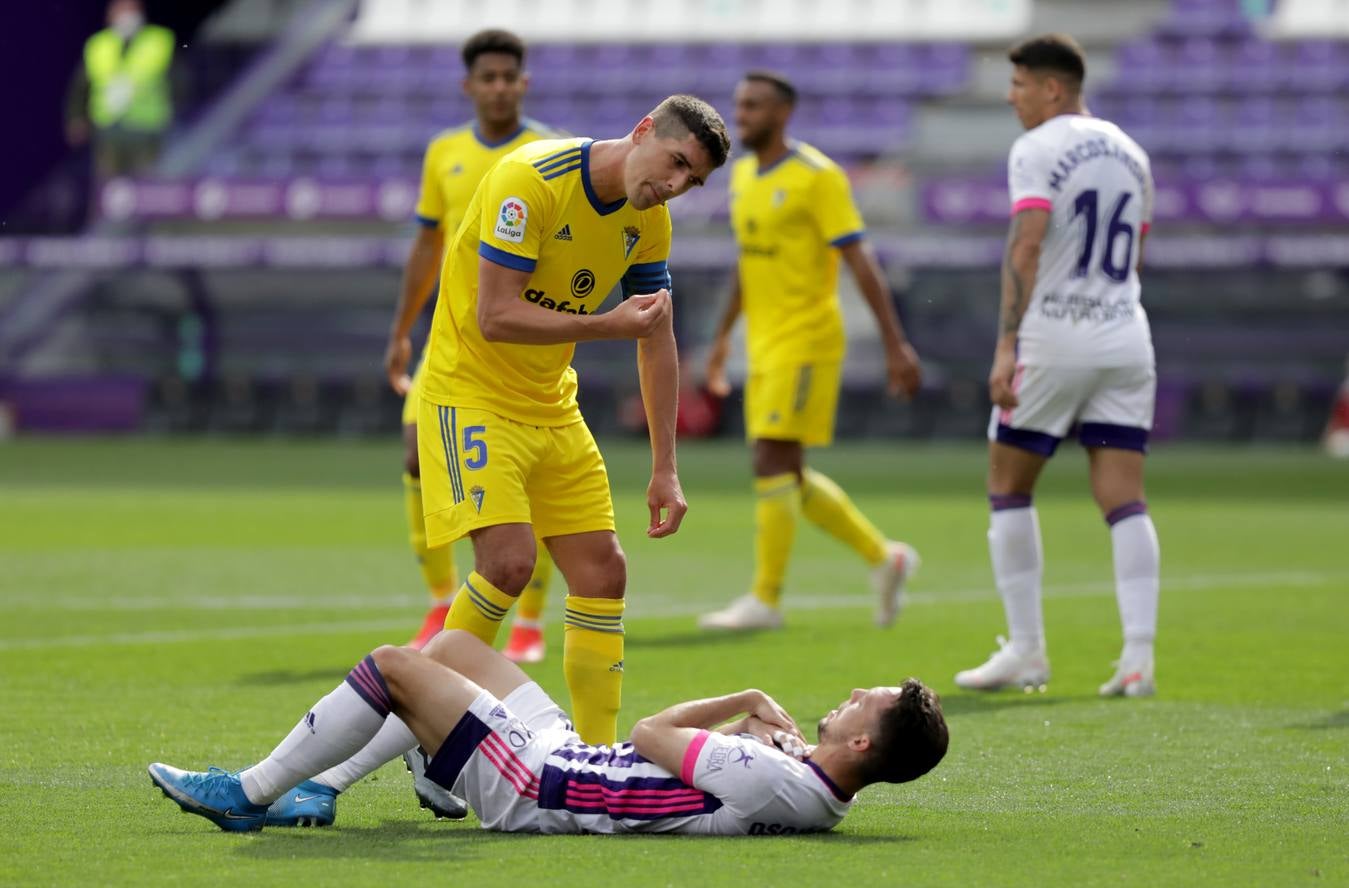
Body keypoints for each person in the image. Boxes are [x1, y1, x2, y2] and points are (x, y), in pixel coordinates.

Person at [411, 95, 728, 749]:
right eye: (673, 163)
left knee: (602, 571)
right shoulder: (530, 181)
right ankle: (427, 730)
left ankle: (596, 760)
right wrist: (605, 324)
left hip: (550, 402)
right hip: (469, 392)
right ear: (642, 129)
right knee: (506, 563)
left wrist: (665, 467)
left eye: (690, 181)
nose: (672, 186)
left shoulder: (649, 221)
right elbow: (495, 316)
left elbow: (656, 335)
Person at [147, 630, 949, 834]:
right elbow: (713, 775)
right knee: (454, 649)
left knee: (395, 667)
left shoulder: (776, 779)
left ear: (861, 748)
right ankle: (327, 786)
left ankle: (252, 794)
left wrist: (743, 696)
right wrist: (759, 733)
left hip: (540, 783)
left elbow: (648, 732)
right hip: (568, 763)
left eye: (863, 703)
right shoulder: (805, 784)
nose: (850, 694)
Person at [953, 34, 1161, 697]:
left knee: (1008, 484)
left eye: (1017, 86)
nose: (1011, 98)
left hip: (1053, 337)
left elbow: (1026, 246)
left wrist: (1007, 345)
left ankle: (1027, 651)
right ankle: (1137, 659)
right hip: (1125, 336)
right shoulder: (1131, 152)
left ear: (1051, 88)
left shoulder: (1035, 150)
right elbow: (1137, 252)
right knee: (1124, 499)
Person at [700, 71, 924, 632]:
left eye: (752, 106)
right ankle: (885, 556)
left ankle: (765, 600)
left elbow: (860, 260)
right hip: (765, 340)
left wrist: (897, 344)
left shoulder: (818, 177)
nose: (741, 115)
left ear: (783, 112)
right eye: (739, 104)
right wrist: (724, 334)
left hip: (807, 338)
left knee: (770, 459)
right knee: (785, 471)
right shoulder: (746, 173)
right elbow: (747, 265)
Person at [383, 28, 559, 661]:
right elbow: (429, 245)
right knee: (414, 455)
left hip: (519, 342)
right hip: (450, 339)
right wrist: (403, 329)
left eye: (510, 77)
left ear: (524, 83)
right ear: (469, 86)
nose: (499, 87)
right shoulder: (445, 152)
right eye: (488, 78)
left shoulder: (547, 151)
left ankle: (532, 622)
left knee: (528, 478)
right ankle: (438, 604)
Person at [65, 0, 175, 181]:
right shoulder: (98, 45)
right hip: (108, 131)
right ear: (110, 15)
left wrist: (177, 110)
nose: (127, 16)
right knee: (108, 190)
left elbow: (177, 81)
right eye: (122, 10)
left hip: (146, 131)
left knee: (145, 188)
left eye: (131, 10)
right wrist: (76, 116)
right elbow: (80, 86)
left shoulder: (159, 42)